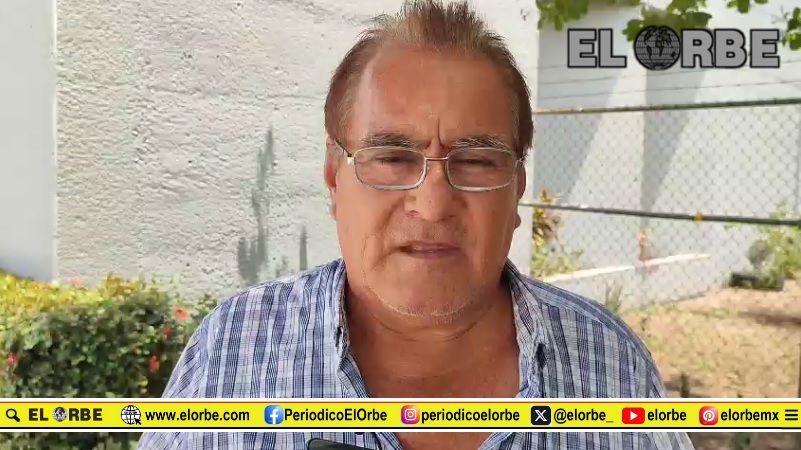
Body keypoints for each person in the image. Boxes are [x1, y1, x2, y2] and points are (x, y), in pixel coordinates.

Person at [138, 1, 695, 449]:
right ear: (334, 178)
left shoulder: (610, 367)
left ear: (517, 189)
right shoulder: (235, 351)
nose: (432, 206)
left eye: (477, 160)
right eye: (391, 157)